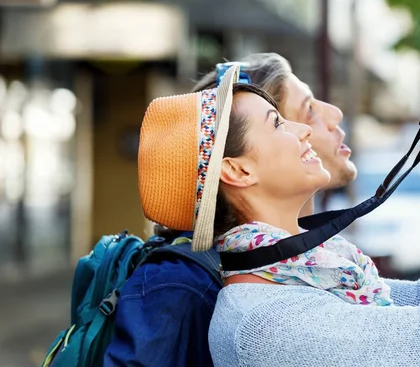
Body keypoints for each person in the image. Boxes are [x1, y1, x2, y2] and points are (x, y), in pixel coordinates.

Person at [103, 53, 357, 366]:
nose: (333, 115)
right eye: (304, 112)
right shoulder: (178, 285)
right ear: (239, 165)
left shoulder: (298, 261)